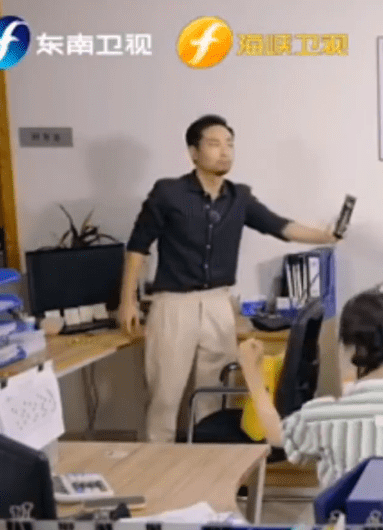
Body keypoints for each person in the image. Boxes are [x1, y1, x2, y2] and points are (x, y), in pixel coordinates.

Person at [119, 114, 341, 443]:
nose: (224, 152)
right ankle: (157, 461)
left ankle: (208, 461)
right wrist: (127, 301)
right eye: (214, 144)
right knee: (165, 394)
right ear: (193, 153)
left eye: (230, 145)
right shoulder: (169, 193)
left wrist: (325, 235)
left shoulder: (239, 198)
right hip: (174, 304)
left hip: (218, 302)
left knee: (214, 392)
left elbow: (280, 226)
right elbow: (138, 247)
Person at [236, 291, 383, 486]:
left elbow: (276, 435)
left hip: (343, 520)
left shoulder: (322, 417)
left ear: (353, 348)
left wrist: (253, 374)